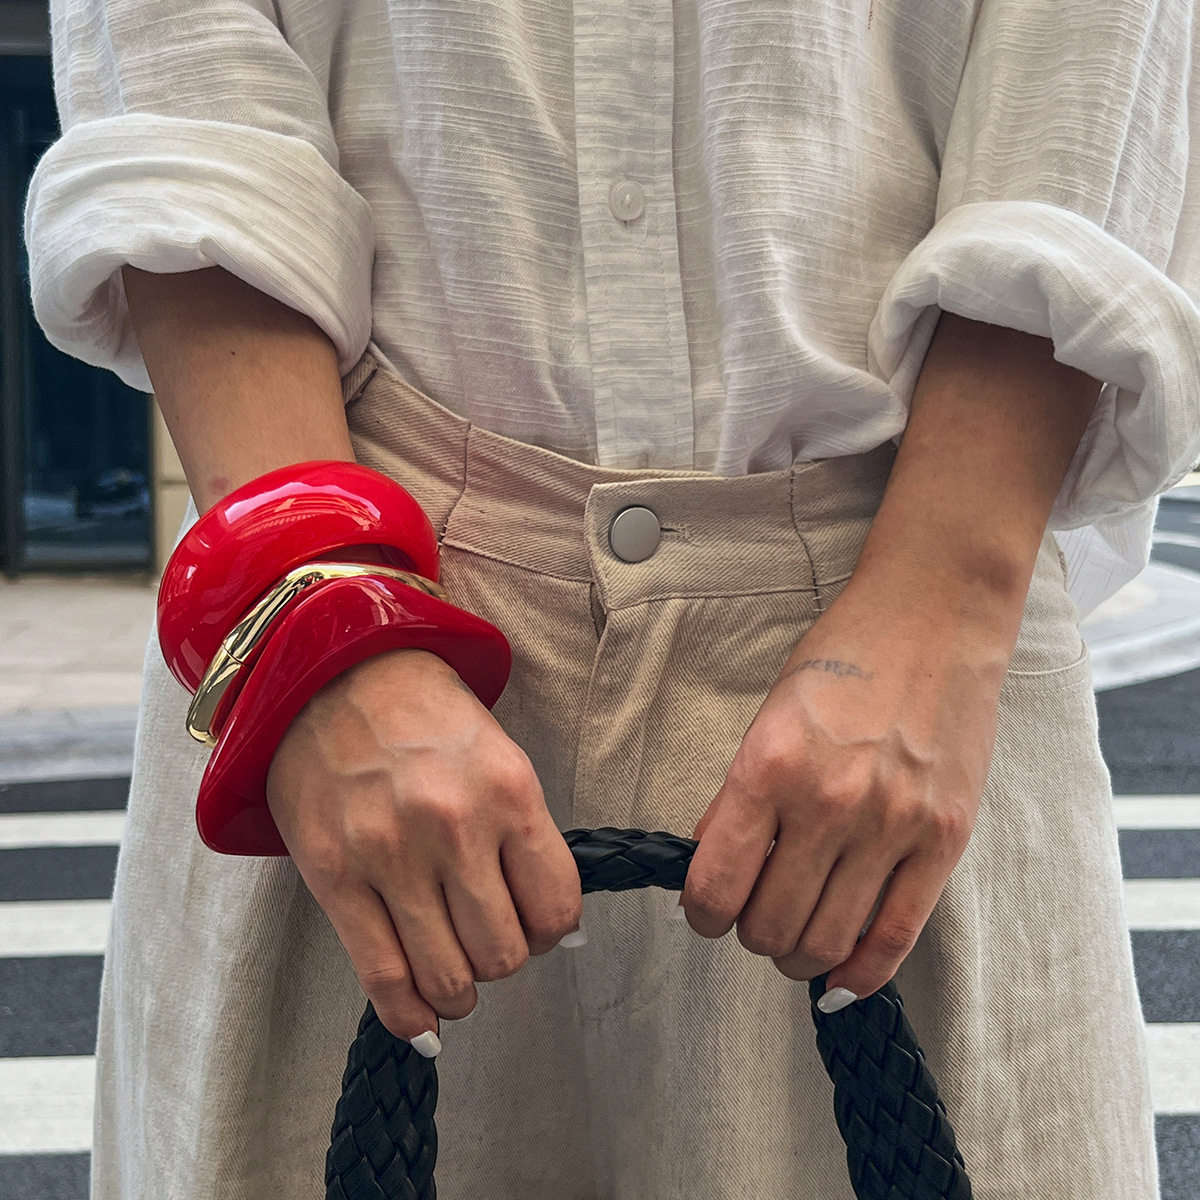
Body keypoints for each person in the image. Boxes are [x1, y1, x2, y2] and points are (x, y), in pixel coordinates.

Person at [23, 1, 1200, 1196]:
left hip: (909, 663)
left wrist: (944, 603)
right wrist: (324, 627)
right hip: (352, 681)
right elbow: (182, 101)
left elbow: (1094, 77)